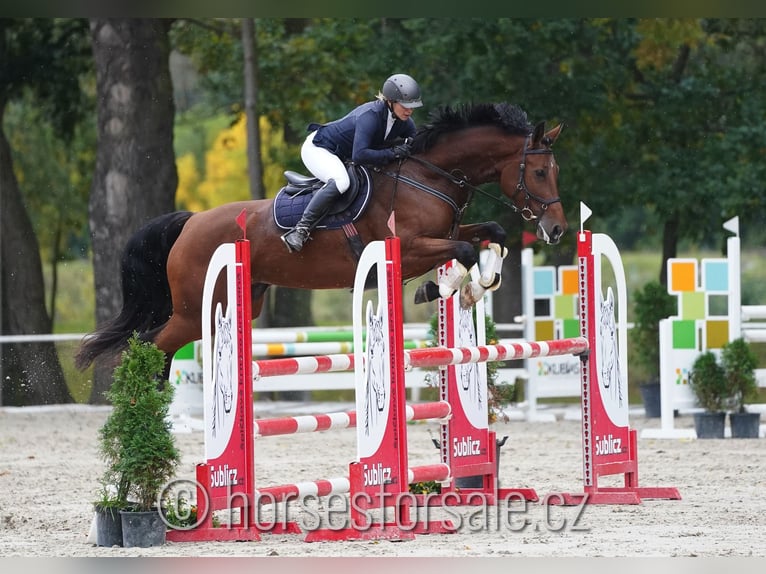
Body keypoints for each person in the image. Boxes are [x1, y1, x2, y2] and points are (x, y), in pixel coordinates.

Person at [281, 73, 423, 253]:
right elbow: (360, 155)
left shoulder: (404, 122)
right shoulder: (370, 116)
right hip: (319, 148)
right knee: (341, 182)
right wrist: (393, 152)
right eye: (405, 106)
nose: (409, 111)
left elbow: (415, 143)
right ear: (390, 101)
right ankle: (301, 229)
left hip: (342, 154)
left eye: (412, 107)